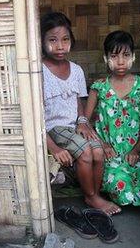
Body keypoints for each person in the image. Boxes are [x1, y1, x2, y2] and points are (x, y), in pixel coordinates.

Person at [40, 12, 120, 215]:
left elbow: (77, 100)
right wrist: (54, 148)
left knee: (99, 151)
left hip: (74, 125)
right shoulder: (38, 71)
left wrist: (83, 121)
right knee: (85, 151)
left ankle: (93, 192)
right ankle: (91, 197)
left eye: (65, 39)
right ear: (41, 41)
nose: (60, 46)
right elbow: (34, 116)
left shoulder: (76, 70)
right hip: (53, 128)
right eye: (53, 40)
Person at [85, 30, 140, 208]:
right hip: (111, 154)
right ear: (105, 58)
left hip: (137, 152)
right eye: (114, 56)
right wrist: (103, 145)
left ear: (133, 56)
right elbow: (85, 122)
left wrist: (136, 149)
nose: (121, 61)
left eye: (126, 55)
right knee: (122, 186)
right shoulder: (99, 87)